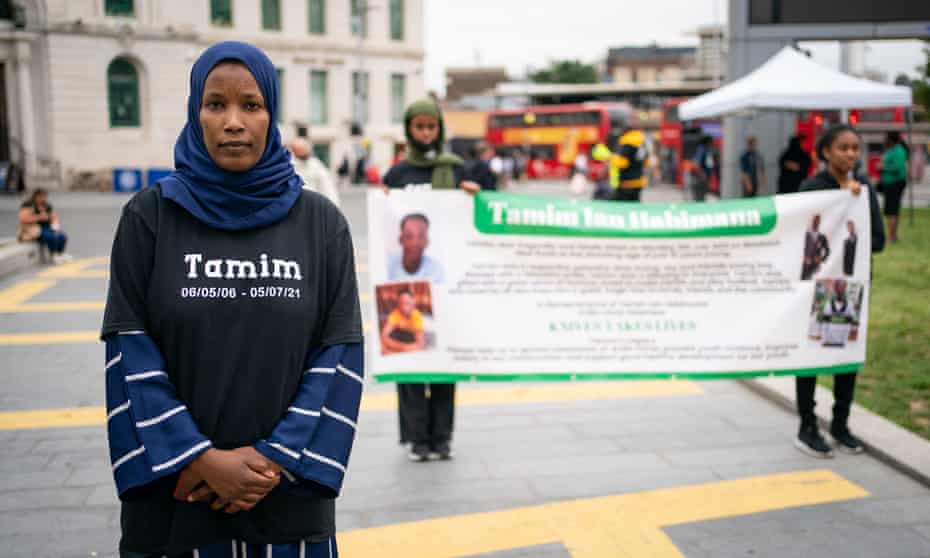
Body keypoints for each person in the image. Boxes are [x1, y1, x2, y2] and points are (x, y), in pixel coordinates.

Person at [101, 41, 363, 557]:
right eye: (215, 104)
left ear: (272, 114)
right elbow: (128, 352)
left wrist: (272, 459)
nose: (234, 122)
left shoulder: (321, 224)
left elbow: (339, 356)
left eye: (251, 104)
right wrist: (197, 458)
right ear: (195, 111)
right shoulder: (149, 219)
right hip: (177, 503)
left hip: (287, 500)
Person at [381, 98, 479, 463]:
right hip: (405, 286)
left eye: (431, 127)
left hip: (444, 283)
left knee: (442, 365)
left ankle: (442, 437)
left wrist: (473, 198)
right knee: (409, 364)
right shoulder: (398, 174)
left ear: (439, 129)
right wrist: (384, 201)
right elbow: (386, 223)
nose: (425, 133)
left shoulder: (454, 170)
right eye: (419, 127)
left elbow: (470, 222)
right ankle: (416, 438)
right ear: (409, 130)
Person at [795, 123, 885, 459]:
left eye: (854, 148)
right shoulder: (811, 189)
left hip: (849, 289)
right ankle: (807, 425)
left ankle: (840, 424)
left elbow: (877, 241)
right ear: (826, 152)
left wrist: (855, 206)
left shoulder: (865, 193)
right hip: (818, 289)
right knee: (810, 358)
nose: (850, 154)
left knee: (846, 358)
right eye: (842, 147)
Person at [591, 124, 650, 202]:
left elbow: (622, 163)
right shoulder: (642, 143)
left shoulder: (628, 143)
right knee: (634, 205)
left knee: (620, 206)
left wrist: (610, 158)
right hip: (638, 182)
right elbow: (646, 162)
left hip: (626, 182)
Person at [17, 188, 72, 263]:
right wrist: (39, 217)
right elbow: (23, 219)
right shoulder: (28, 205)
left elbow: (53, 216)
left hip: (47, 226)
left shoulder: (47, 205)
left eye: (45, 196)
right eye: (42, 196)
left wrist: (55, 225)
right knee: (51, 237)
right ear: (36, 196)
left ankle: (61, 253)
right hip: (34, 228)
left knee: (62, 236)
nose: (44, 198)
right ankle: (53, 254)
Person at [388, 213, 444, 282]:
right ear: (400, 240)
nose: (415, 243)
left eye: (421, 236)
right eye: (409, 236)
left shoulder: (436, 271)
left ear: (427, 241)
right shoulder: (387, 266)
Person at [877, 131, 908, 243]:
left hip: (895, 184)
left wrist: (883, 167)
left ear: (891, 139)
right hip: (890, 183)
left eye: (886, 138)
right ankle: (893, 236)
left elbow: (897, 167)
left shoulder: (899, 150)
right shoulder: (893, 150)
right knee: (893, 210)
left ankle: (891, 237)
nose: (884, 140)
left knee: (891, 211)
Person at [290, 137, 340, 207]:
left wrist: (333, 205)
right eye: (299, 149)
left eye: (304, 148)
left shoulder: (315, 164)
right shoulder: (289, 166)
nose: (303, 151)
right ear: (294, 150)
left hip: (314, 205)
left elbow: (327, 186)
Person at [380, 290, 426, 354]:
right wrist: (400, 347)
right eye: (401, 303)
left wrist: (402, 348)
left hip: (410, 339)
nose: (404, 307)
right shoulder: (395, 314)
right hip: (399, 338)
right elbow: (383, 336)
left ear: (413, 302)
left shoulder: (416, 316)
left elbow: (420, 344)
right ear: (398, 304)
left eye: (407, 303)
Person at [820, 279, 858, 347]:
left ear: (845, 289)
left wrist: (853, 331)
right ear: (835, 289)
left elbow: (854, 321)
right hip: (829, 339)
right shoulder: (828, 304)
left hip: (843, 340)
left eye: (843, 287)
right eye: (839, 287)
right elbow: (825, 323)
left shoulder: (849, 304)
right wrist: (824, 339)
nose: (841, 290)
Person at [800, 214, 830, 280]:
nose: (816, 222)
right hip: (804, 266)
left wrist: (821, 259)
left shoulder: (822, 237)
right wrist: (802, 258)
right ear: (812, 221)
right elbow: (798, 249)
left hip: (815, 266)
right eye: (814, 220)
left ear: (819, 222)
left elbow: (828, 250)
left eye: (818, 221)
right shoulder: (805, 235)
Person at [690, 135, 717, 202]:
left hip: (703, 179)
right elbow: (696, 164)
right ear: (708, 142)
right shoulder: (702, 149)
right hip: (700, 179)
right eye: (712, 142)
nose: (713, 144)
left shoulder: (706, 150)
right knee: (699, 199)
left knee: (702, 198)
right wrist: (702, 175)